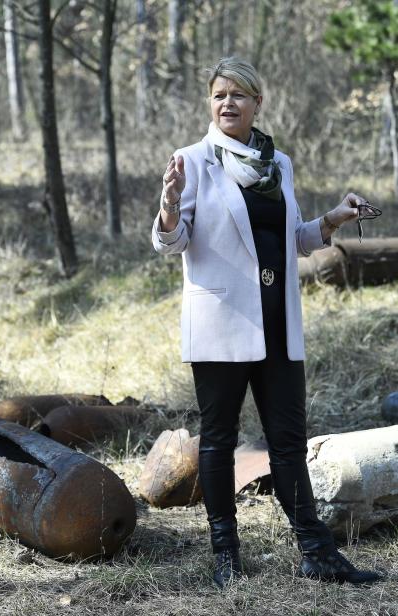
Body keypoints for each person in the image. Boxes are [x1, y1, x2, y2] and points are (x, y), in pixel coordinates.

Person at [151, 57, 382, 589]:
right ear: (210, 103)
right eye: (218, 95)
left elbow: (288, 240)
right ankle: (226, 555)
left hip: (278, 322)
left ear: (258, 102)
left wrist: (332, 220)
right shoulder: (192, 161)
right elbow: (172, 242)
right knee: (218, 440)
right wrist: (167, 207)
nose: (227, 102)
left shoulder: (280, 164)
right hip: (221, 323)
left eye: (238, 94)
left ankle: (317, 553)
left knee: (288, 441)